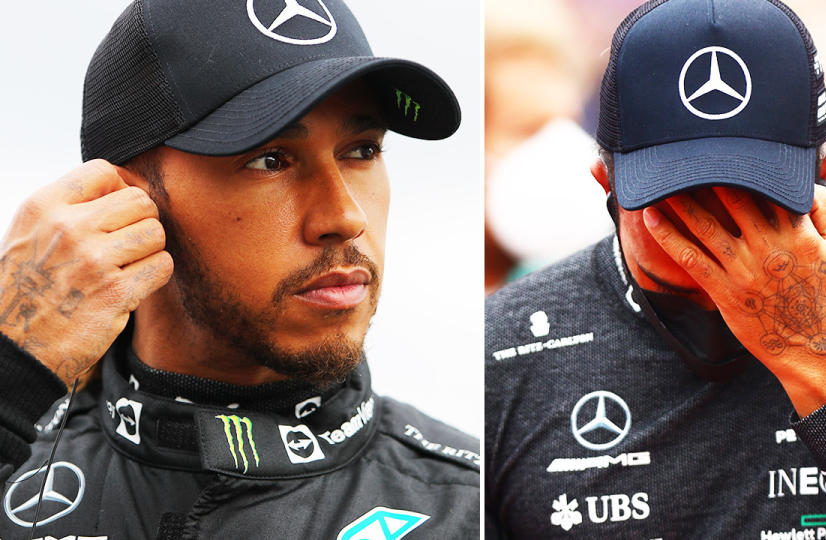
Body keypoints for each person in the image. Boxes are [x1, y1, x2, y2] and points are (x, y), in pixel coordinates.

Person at [0, 0, 479, 538]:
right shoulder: (16, 464)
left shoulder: (472, 507)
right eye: (270, 159)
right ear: (122, 201)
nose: (346, 217)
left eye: (362, 150)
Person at [485, 0, 826, 538]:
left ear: (823, 179)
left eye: (753, 196)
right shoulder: (499, 350)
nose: (719, 240)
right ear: (606, 183)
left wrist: (819, 355)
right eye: (677, 200)